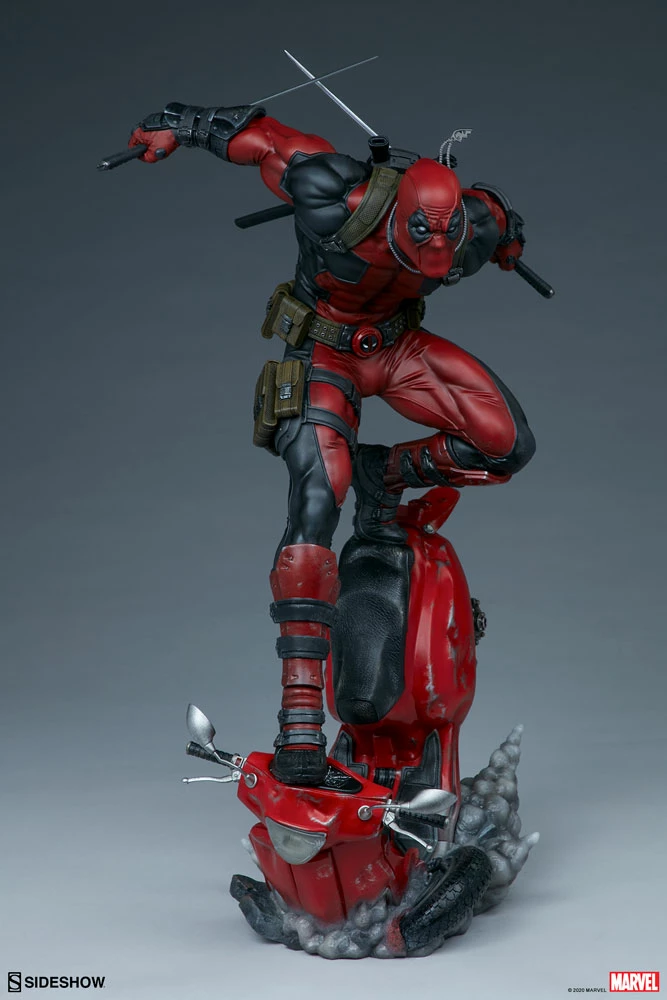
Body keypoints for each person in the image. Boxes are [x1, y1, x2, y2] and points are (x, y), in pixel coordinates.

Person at [127, 102, 536, 786]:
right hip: (324, 348)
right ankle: (299, 725)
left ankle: (386, 474)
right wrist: (179, 126)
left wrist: (507, 244)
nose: (438, 257)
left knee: (505, 445)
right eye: (422, 239)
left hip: (398, 347)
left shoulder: (473, 226)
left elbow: (502, 221)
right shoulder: (331, 192)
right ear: (396, 214)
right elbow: (259, 138)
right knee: (317, 500)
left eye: (450, 246)